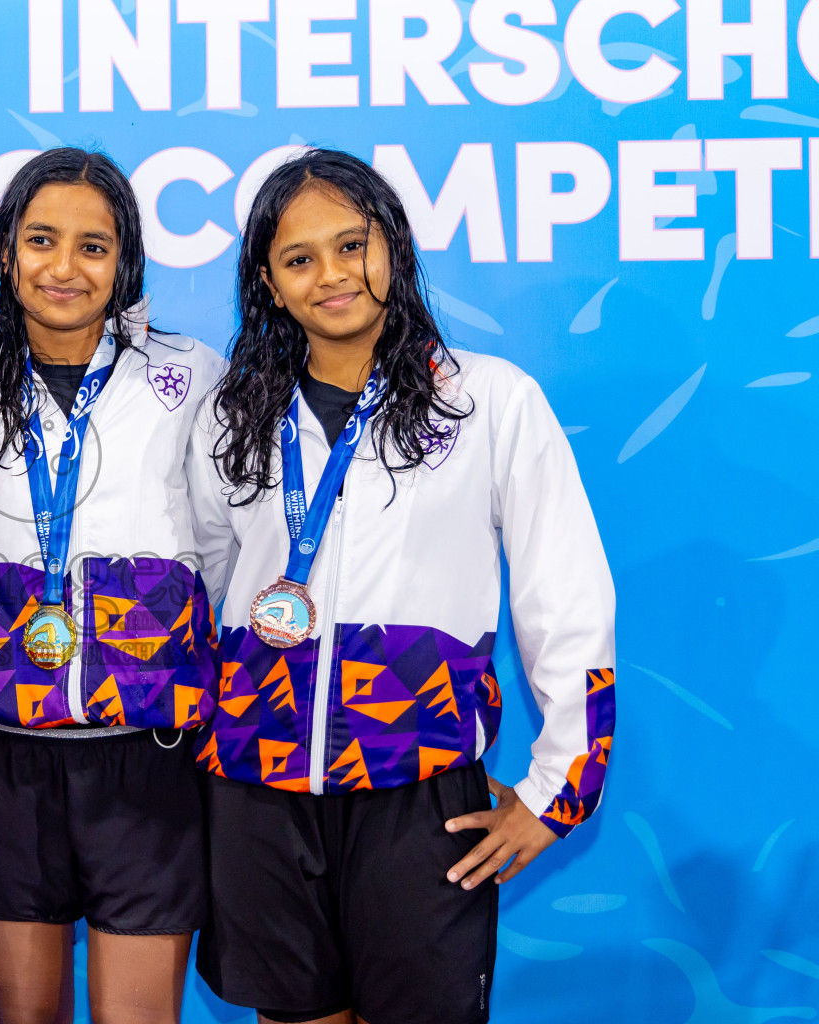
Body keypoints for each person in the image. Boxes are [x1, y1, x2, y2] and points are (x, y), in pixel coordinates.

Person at [187, 148, 615, 1024]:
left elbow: (563, 595)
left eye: (353, 245)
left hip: (416, 791)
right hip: (258, 796)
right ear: (267, 282)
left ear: (396, 250)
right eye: (299, 259)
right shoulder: (234, 416)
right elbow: (208, 584)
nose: (332, 275)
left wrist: (556, 789)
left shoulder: (489, 401)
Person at [0, 147, 225, 1024]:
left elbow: (226, 546)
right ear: (5, 252)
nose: (65, 267)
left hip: (151, 759)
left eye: (93, 246)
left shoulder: (192, 376)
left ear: (126, 262)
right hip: (3, 760)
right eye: (41, 240)